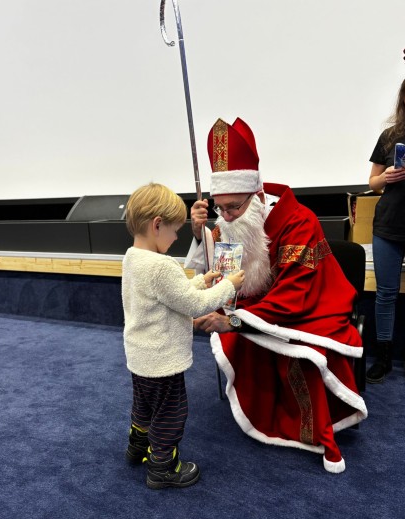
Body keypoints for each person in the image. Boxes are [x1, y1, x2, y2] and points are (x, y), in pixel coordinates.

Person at [185, 117, 367, 474]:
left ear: (256, 197)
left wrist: (232, 321)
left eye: (233, 207)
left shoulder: (299, 220)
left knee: (301, 353)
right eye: (220, 208)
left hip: (309, 307)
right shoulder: (233, 218)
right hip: (259, 304)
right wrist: (199, 232)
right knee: (242, 337)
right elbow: (221, 265)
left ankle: (303, 427)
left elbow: (294, 294)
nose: (226, 217)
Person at [122, 182, 245, 489]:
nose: (177, 237)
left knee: (143, 405)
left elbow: (167, 296)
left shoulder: (132, 257)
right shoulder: (162, 265)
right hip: (163, 361)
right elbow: (194, 305)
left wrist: (202, 280)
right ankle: (163, 467)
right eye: (175, 231)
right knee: (171, 412)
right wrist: (228, 285)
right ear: (157, 225)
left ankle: (137, 446)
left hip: (140, 357)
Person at [366, 63, 405, 385]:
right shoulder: (390, 136)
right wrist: (385, 177)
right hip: (388, 226)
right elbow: (373, 183)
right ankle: (383, 356)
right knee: (385, 294)